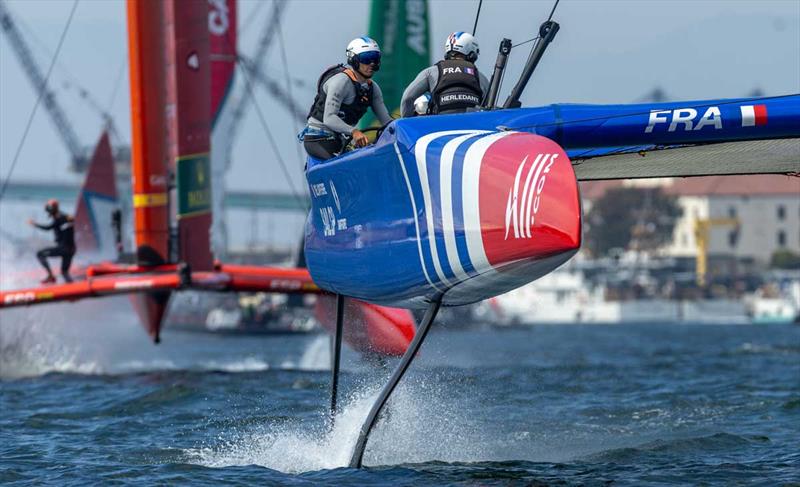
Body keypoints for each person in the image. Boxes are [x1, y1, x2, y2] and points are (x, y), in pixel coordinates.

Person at [301, 36, 393, 160]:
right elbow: (329, 119)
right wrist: (354, 132)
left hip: (342, 139)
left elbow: (386, 121)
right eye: (366, 59)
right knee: (341, 168)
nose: (372, 64)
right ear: (354, 60)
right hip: (318, 138)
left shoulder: (373, 89)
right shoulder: (341, 82)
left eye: (375, 59)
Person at [400, 32, 490, 117]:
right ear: (472, 55)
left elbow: (408, 98)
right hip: (471, 125)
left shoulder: (432, 72)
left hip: (439, 126)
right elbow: (489, 107)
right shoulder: (479, 76)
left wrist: (406, 124)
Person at [28, 199, 76, 284]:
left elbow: (48, 228)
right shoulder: (64, 216)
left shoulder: (60, 218)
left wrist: (34, 224)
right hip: (71, 249)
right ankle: (73, 288)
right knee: (64, 272)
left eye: (48, 210)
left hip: (64, 249)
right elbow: (69, 221)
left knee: (40, 254)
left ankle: (51, 276)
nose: (48, 213)